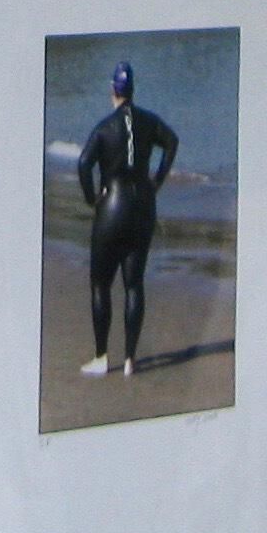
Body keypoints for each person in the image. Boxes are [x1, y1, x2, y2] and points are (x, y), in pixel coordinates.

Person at [75, 60, 178, 379]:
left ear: (113, 91)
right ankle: (131, 360)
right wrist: (157, 180)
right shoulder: (149, 121)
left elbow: (83, 163)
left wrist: (92, 198)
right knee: (134, 284)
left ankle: (102, 357)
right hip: (142, 206)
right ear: (132, 90)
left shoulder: (105, 127)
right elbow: (172, 142)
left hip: (113, 207)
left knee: (101, 283)